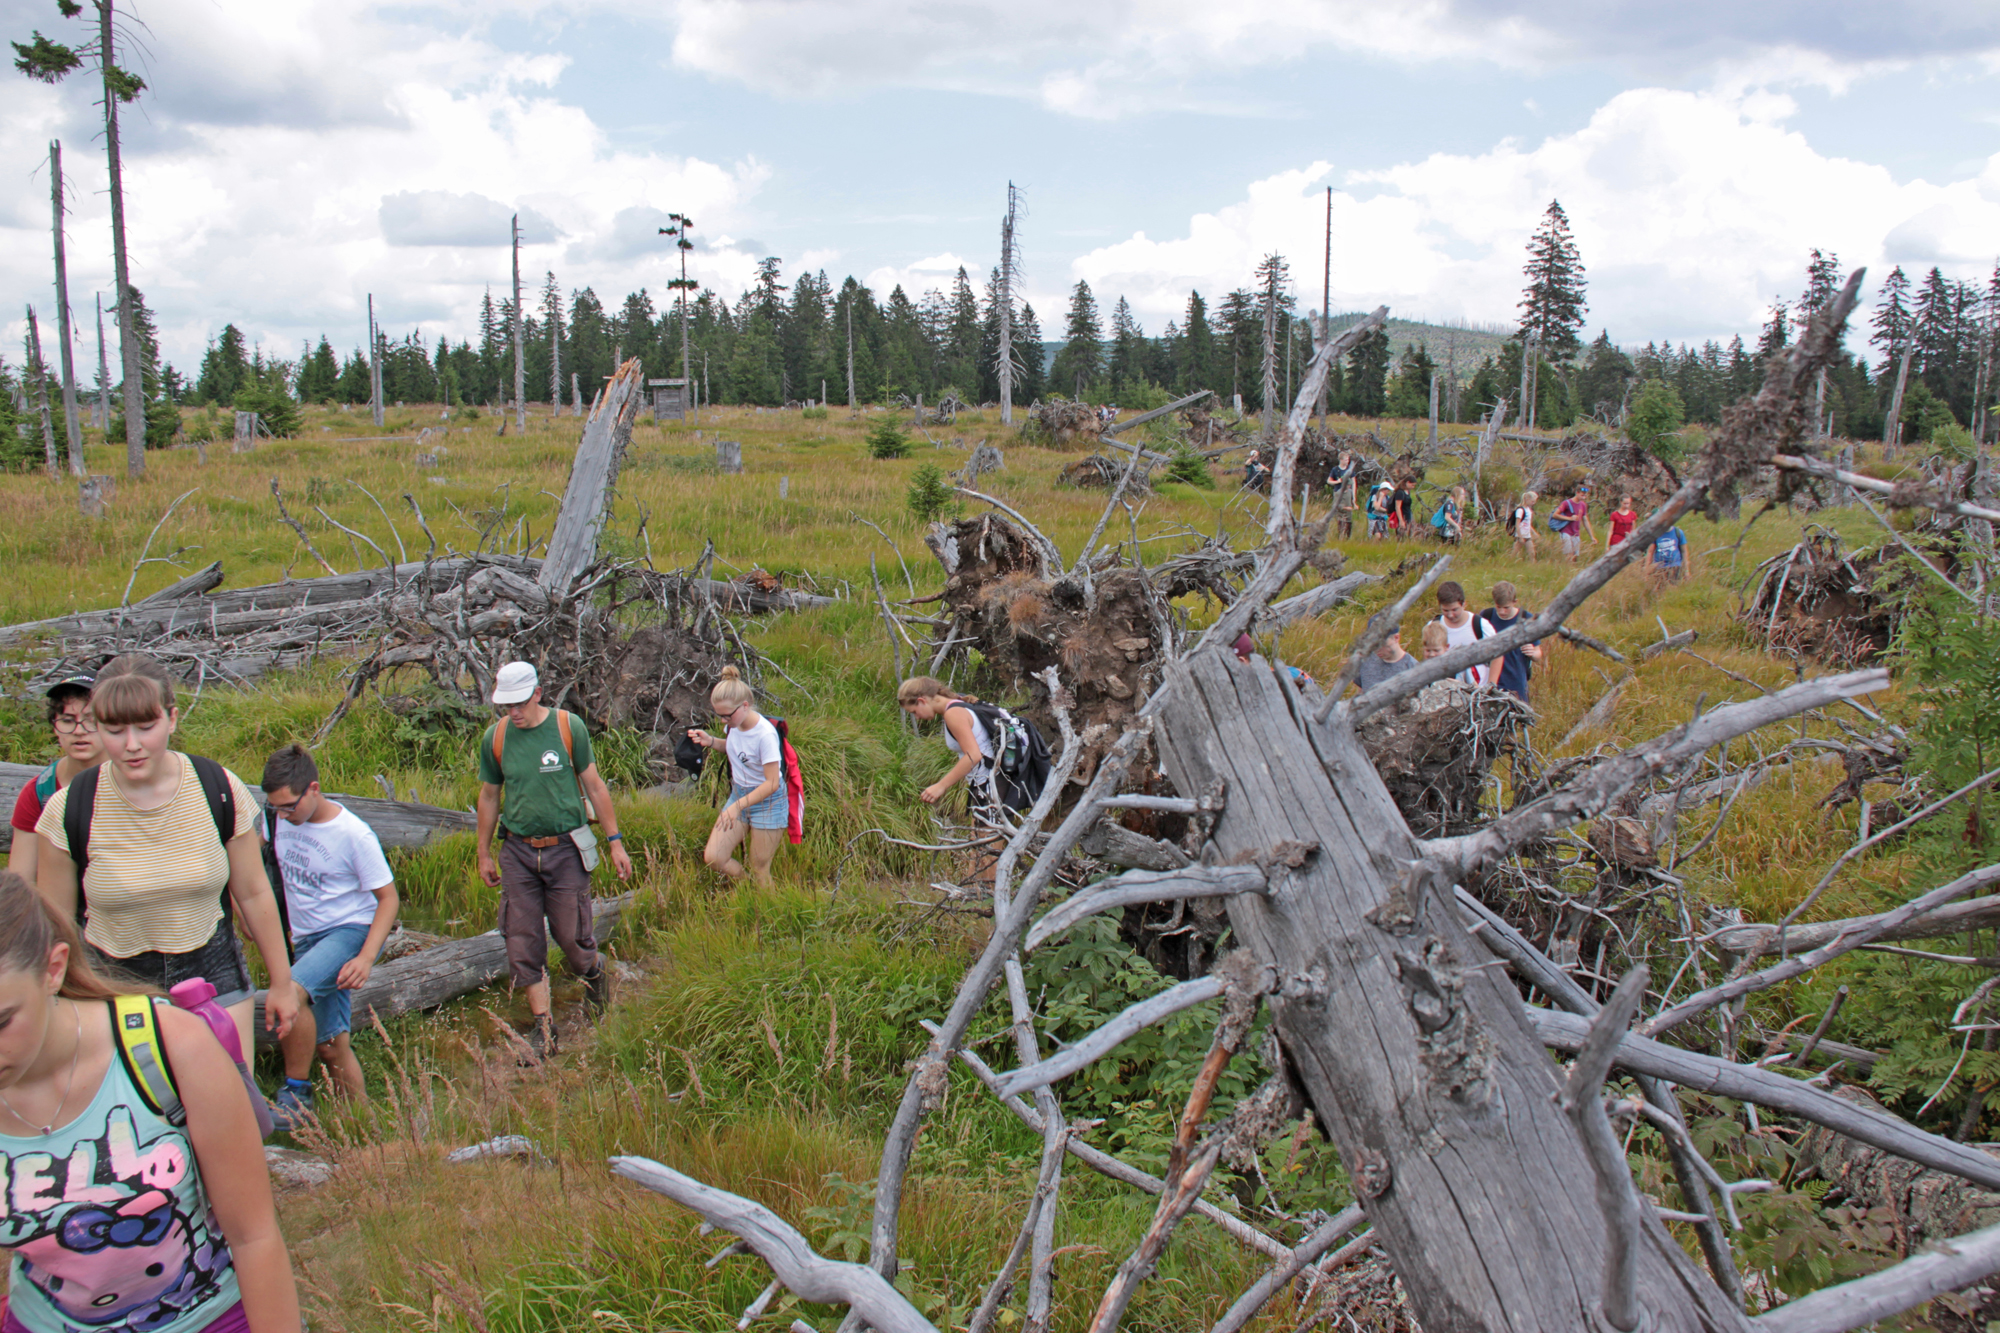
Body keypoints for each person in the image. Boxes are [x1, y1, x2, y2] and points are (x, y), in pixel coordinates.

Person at [0, 871, 301, 1333]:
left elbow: (254, 1236)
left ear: (54, 969)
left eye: (2, 1021)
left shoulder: (170, 1047)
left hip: (207, 1317)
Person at [34, 656, 298, 1062]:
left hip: (214, 973)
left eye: (146, 726)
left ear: (172, 719)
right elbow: (55, 922)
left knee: (228, 1110)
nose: (132, 744)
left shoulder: (219, 789)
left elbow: (254, 891)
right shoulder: (69, 809)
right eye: (115, 730)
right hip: (111, 984)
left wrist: (282, 982)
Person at [475, 662, 631, 1059]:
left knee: (571, 938)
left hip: (566, 849)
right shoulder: (495, 738)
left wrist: (615, 842)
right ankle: (544, 1028)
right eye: (506, 705)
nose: (514, 712)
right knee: (522, 940)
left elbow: (594, 785)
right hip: (518, 852)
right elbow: (490, 796)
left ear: (538, 694)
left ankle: (594, 974)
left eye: (520, 703)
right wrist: (483, 852)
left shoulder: (568, 727)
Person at [259, 745, 399, 1127]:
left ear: (313, 789)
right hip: (304, 936)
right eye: (276, 809)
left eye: (289, 807)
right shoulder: (275, 819)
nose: (284, 815)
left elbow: (387, 899)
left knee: (290, 991)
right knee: (331, 1045)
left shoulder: (352, 834)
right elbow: (255, 861)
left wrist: (366, 957)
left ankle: (295, 1094)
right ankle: (360, 1125)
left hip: (347, 930)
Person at [686, 667, 786, 889]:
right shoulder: (735, 724)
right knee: (714, 857)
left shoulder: (765, 735)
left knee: (760, 867)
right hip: (740, 795)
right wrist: (711, 741)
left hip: (768, 802)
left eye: (726, 715)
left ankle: (767, 912)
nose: (723, 721)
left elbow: (772, 782)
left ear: (745, 706)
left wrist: (736, 807)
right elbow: (738, 752)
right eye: (718, 715)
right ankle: (745, 888)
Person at [8, 677, 105, 885]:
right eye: (68, 720)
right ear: (54, 726)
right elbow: (20, 881)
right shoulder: (40, 791)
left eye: (90, 719)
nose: (79, 731)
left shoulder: (134, 781)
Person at [1479, 581, 1543, 705]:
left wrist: (1532, 653)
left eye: (1506, 607)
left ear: (1515, 602)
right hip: (1490, 681)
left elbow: (1538, 653)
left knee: (1517, 719)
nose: (1502, 611)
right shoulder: (1485, 617)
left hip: (1516, 683)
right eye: (1498, 607)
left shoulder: (1527, 619)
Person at [1431, 581, 1493, 687]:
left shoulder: (1480, 625)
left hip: (1477, 693)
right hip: (1444, 692)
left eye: (1455, 610)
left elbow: (1498, 656)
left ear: (1464, 604)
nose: (1450, 615)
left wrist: (1491, 686)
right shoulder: (1434, 626)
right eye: (1445, 610)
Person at [1351, 626, 1418, 692]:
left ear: (1396, 638)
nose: (1376, 649)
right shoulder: (1365, 660)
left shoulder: (1413, 670)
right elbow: (1361, 691)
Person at [1554, 484, 1596, 562]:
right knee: (1569, 555)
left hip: (1576, 533)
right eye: (1582, 495)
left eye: (1585, 495)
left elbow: (1585, 520)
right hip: (1566, 532)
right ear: (1577, 492)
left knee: (1575, 556)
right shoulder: (1566, 503)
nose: (1584, 497)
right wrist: (1569, 518)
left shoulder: (1583, 505)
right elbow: (1555, 515)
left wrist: (1592, 536)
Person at [1327, 451, 1359, 540]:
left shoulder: (1349, 470)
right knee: (1340, 511)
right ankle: (1340, 534)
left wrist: (1354, 497)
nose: (1347, 461)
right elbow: (1329, 481)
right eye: (1346, 459)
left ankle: (1347, 535)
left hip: (1348, 493)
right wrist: (1337, 482)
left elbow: (1354, 483)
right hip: (1338, 492)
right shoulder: (1335, 469)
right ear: (1341, 460)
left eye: (1348, 459)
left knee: (1348, 514)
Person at [1511, 491, 1539, 562]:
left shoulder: (1529, 510)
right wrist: (1520, 537)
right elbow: (1517, 524)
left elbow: (1528, 524)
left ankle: (1533, 565)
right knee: (1515, 552)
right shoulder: (1520, 510)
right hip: (1521, 535)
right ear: (1527, 499)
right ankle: (1508, 563)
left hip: (1527, 535)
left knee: (1532, 553)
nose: (1534, 503)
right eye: (1532, 501)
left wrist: (1534, 533)